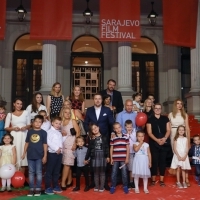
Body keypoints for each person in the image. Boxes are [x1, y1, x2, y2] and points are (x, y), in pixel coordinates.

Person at [21, 115, 47, 197]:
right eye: (36, 121)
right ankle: (31, 189)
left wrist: (45, 155)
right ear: (33, 122)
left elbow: (45, 144)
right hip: (30, 155)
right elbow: (27, 143)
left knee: (39, 172)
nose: (37, 123)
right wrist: (24, 153)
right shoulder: (30, 132)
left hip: (39, 156)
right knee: (31, 172)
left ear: (42, 123)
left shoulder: (43, 132)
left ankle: (38, 189)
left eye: (40, 122)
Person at [146, 103, 171, 187]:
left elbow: (168, 130)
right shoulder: (150, 119)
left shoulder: (165, 118)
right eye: (156, 108)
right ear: (153, 109)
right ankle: (153, 180)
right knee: (154, 161)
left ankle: (162, 181)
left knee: (162, 162)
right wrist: (157, 140)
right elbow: (149, 132)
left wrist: (164, 139)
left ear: (161, 109)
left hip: (164, 142)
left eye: (159, 108)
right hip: (154, 143)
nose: (157, 110)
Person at [4, 98, 31, 174]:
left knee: (23, 152)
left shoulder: (26, 112)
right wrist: (13, 128)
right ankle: (14, 175)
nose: (19, 105)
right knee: (15, 153)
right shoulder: (10, 114)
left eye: (21, 104)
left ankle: (22, 177)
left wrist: (25, 127)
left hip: (24, 134)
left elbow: (29, 125)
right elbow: (6, 127)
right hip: (14, 135)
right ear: (14, 104)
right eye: (18, 103)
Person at [168, 99, 190, 186]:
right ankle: (178, 180)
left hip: (183, 135)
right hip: (173, 135)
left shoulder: (185, 115)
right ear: (175, 105)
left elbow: (187, 128)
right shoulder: (170, 114)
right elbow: (168, 127)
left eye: (181, 104)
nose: (179, 105)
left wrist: (188, 140)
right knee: (176, 155)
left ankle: (186, 179)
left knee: (184, 155)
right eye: (177, 103)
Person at [85, 123, 109, 192]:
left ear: (98, 127)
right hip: (95, 156)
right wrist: (86, 158)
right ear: (91, 131)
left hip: (102, 156)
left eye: (95, 127)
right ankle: (96, 186)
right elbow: (89, 149)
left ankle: (101, 187)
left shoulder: (104, 137)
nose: (94, 129)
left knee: (102, 172)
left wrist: (107, 156)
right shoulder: (92, 139)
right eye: (92, 129)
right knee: (95, 173)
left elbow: (107, 147)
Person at [60, 107, 80, 190]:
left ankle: (63, 182)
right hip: (62, 145)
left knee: (67, 164)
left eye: (69, 113)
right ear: (63, 113)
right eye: (66, 112)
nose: (67, 114)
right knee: (66, 163)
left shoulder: (73, 121)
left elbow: (78, 132)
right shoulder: (60, 122)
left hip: (71, 145)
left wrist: (75, 144)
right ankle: (69, 180)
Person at [45, 116, 63, 195]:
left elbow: (61, 142)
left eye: (59, 124)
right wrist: (56, 148)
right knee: (49, 171)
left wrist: (61, 150)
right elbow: (48, 142)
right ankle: (48, 187)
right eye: (56, 123)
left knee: (56, 171)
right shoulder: (49, 132)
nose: (58, 125)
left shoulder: (59, 132)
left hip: (59, 154)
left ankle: (55, 185)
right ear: (52, 123)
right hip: (52, 153)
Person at [110, 122, 129, 194]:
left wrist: (127, 158)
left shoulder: (126, 136)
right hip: (115, 159)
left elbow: (128, 148)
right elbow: (111, 148)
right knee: (114, 173)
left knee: (124, 173)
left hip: (123, 159)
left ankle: (125, 186)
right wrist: (111, 158)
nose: (118, 129)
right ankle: (113, 186)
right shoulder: (113, 137)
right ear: (114, 129)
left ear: (121, 127)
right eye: (116, 128)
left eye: (119, 127)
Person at [124, 120, 136, 190]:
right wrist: (127, 134)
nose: (129, 128)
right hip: (126, 153)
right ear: (125, 127)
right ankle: (127, 182)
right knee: (126, 169)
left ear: (132, 127)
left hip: (132, 153)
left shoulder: (134, 133)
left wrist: (130, 134)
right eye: (127, 127)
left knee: (131, 169)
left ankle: (132, 182)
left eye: (130, 127)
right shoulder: (124, 134)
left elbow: (134, 139)